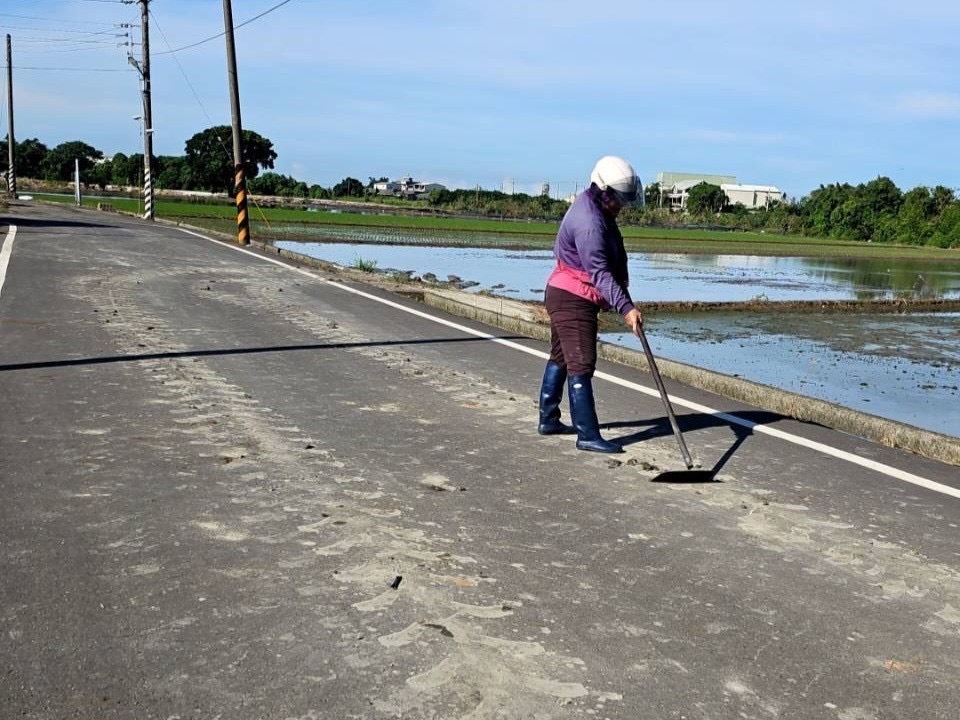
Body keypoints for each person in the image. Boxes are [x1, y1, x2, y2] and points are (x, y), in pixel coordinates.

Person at [537, 155, 644, 453]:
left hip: (563, 291)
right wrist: (627, 308)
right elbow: (600, 275)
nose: (620, 206)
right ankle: (587, 434)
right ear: (602, 190)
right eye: (618, 200)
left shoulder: (595, 206)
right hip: (573, 299)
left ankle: (548, 418)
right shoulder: (589, 224)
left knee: (561, 356)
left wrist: (625, 295)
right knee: (581, 362)